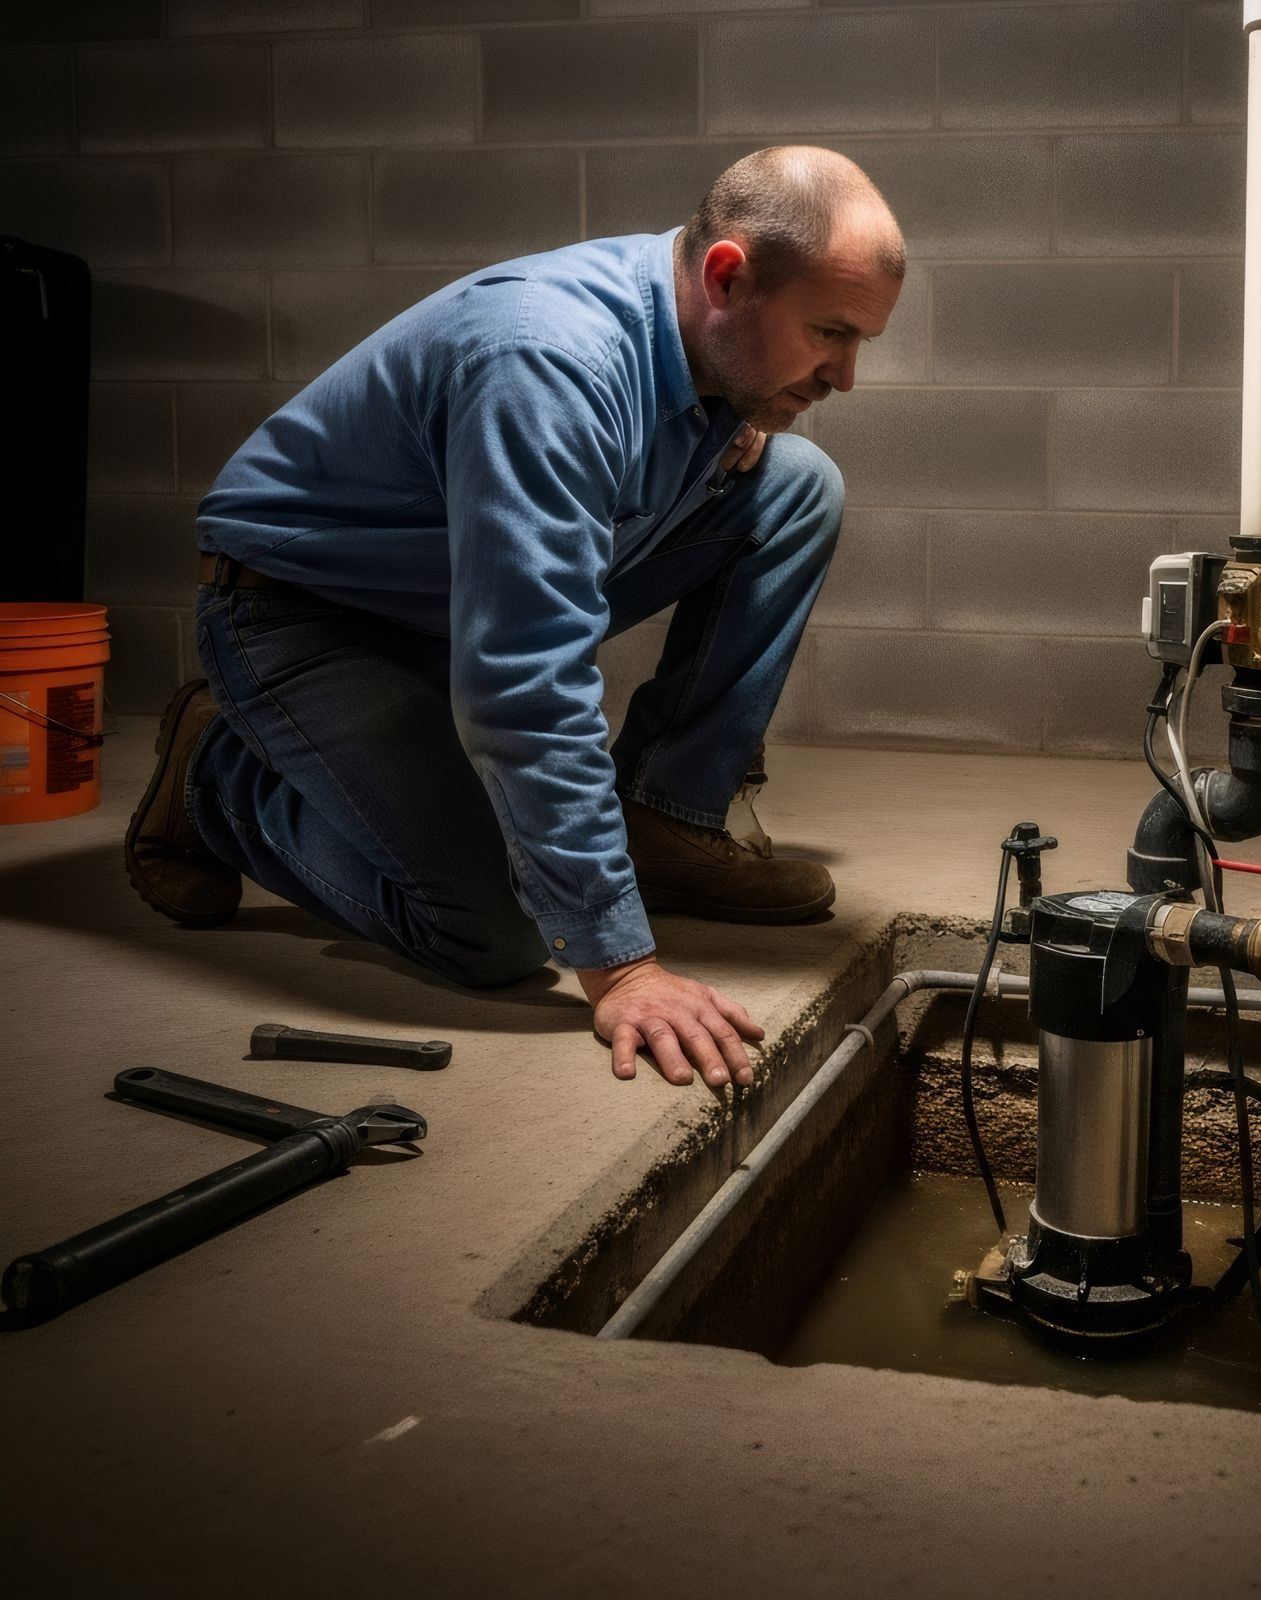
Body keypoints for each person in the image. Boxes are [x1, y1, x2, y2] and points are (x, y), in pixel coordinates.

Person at [123, 146, 904, 1091]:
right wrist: (620, 964)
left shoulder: (698, 327)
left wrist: (724, 414)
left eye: (859, 340)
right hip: (307, 614)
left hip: (449, 593)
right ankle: (217, 777)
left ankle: (664, 811)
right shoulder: (545, 360)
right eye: (829, 333)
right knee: (499, 934)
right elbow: (523, 681)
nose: (846, 376)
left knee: (793, 487)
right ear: (727, 277)